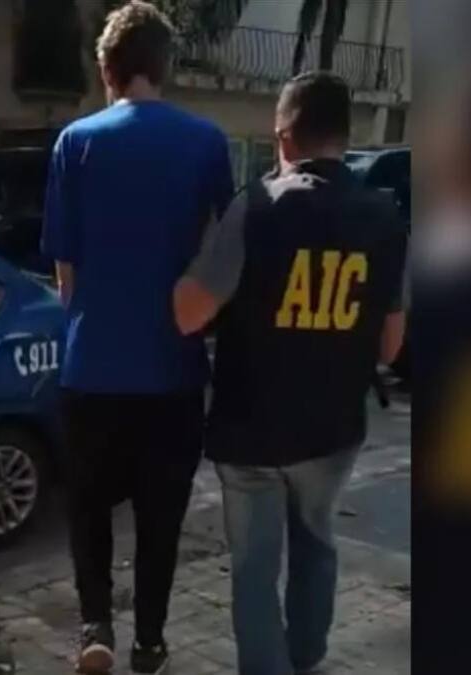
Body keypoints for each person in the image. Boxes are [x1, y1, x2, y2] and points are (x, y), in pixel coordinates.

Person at [173, 72, 407, 675]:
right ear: (343, 136)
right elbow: (390, 342)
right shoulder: (385, 218)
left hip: (249, 431)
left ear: (282, 137)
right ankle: (306, 658)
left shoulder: (254, 206)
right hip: (333, 430)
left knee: (254, 569)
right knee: (316, 544)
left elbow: (190, 313)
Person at [40, 2, 234, 673]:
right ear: (165, 67)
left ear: (107, 69)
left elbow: (65, 271)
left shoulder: (75, 142)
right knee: (161, 518)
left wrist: (91, 317)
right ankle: (150, 639)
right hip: (173, 370)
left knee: (89, 508)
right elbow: (222, 251)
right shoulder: (208, 143)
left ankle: (96, 624)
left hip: (91, 366)